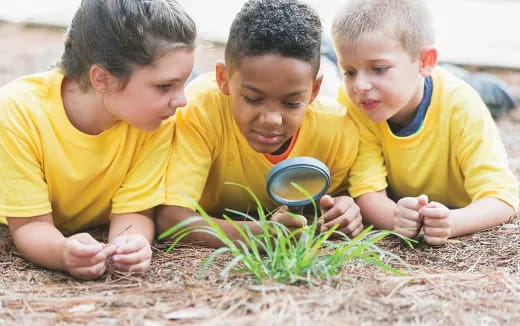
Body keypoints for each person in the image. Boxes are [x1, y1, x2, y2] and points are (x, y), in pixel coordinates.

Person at [0, 0, 196, 279]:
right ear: (102, 79)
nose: (181, 100)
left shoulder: (156, 122)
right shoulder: (18, 112)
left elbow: (135, 211)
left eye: (183, 83)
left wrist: (132, 243)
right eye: (164, 86)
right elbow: (30, 224)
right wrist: (62, 251)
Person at [156, 0, 362, 248]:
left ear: (314, 90)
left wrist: (344, 209)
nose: (271, 119)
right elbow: (171, 220)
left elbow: (339, 199)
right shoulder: (201, 109)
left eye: (293, 103)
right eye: (253, 99)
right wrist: (262, 232)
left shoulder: (336, 129)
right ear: (223, 79)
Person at [331, 0, 519, 246]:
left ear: (425, 61)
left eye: (378, 68)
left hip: (465, 90)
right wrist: (396, 218)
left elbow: (502, 198)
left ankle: (490, 87)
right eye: (349, 71)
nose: (359, 86)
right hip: (414, 85)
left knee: (491, 94)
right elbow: (367, 191)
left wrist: (453, 221)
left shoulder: (461, 105)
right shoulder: (355, 103)